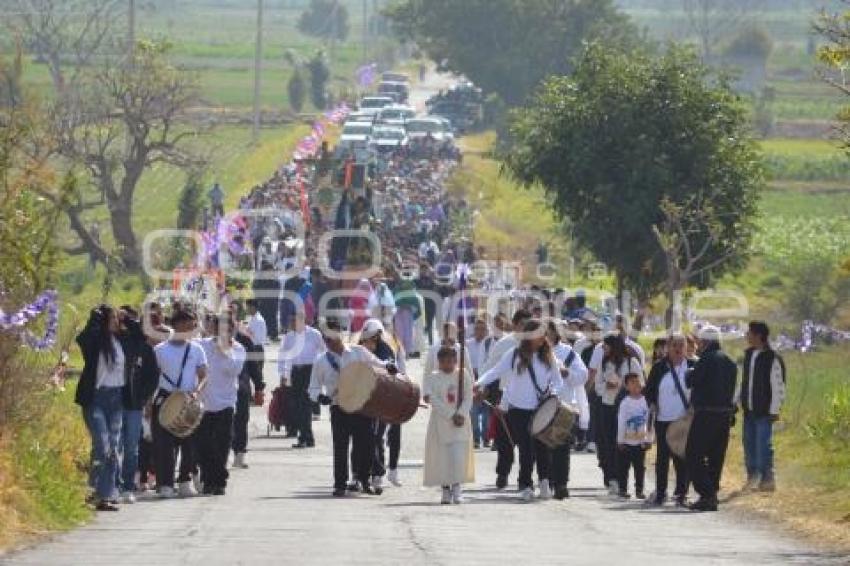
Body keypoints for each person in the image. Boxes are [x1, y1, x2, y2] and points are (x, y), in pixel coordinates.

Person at [476, 319, 564, 501]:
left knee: (543, 447)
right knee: (526, 448)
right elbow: (496, 371)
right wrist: (478, 383)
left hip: (541, 408)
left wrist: (553, 394)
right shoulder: (515, 354)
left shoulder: (549, 355)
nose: (543, 337)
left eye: (543, 334)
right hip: (518, 409)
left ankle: (545, 481)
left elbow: (558, 380)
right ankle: (525, 484)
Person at [309, 320, 385, 496]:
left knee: (366, 444)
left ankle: (364, 480)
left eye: (333, 337)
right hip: (339, 407)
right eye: (327, 339)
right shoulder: (321, 361)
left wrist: (389, 366)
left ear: (340, 335)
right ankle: (340, 484)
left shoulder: (358, 352)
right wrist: (319, 397)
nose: (330, 342)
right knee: (340, 446)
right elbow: (312, 387)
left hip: (361, 406)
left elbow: (378, 364)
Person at [75, 305, 127, 511]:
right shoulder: (95, 341)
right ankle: (93, 491)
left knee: (112, 447)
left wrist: (125, 318)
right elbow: (82, 338)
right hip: (96, 398)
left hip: (116, 398)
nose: (117, 321)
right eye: (113, 318)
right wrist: (95, 318)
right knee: (102, 444)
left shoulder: (122, 340)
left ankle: (104, 494)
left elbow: (141, 335)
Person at [152, 306, 208, 498]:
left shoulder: (197, 349)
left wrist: (197, 391)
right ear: (177, 325)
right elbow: (153, 379)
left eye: (193, 325)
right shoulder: (159, 350)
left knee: (190, 442)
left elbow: (203, 375)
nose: (191, 328)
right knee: (163, 444)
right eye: (188, 325)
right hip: (165, 398)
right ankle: (165, 484)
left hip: (188, 398)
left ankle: (185, 481)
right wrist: (147, 404)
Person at [686, 325, 737, 512]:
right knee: (716, 457)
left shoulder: (705, 359)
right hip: (724, 415)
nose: (698, 345)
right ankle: (711, 494)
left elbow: (692, 381)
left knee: (693, 454)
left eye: (699, 341)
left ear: (705, 341)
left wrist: (689, 372)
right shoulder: (730, 362)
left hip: (706, 413)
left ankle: (706, 493)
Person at [479, 309, 533, 489]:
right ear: (515, 324)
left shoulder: (536, 345)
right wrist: (483, 387)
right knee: (505, 441)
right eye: (523, 324)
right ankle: (503, 473)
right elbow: (489, 368)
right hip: (505, 398)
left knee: (527, 442)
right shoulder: (504, 344)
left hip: (528, 399)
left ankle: (525, 480)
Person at [197, 314, 245, 495]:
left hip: (226, 403)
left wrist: (224, 350)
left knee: (222, 444)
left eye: (228, 328)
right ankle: (207, 479)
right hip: (204, 402)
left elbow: (234, 370)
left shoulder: (238, 349)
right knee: (204, 445)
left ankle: (219, 481)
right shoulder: (202, 346)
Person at [116, 306, 159, 504]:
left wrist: (143, 398)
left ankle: (127, 486)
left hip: (133, 404)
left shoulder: (142, 346)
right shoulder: (111, 342)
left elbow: (152, 377)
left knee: (132, 446)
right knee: (113, 445)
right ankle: (112, 484)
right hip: (113, 402)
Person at [644, 333, 693, 506]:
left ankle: (681, 493)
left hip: (683, 420)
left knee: (682, 457)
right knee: (663, 458)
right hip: (663, 419)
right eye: (674, 345)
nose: (678, 349)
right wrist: (652, 404)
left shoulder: (693, 366)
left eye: (682, 345)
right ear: (668, 347)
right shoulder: (659, 367)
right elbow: (649, 391)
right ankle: (661, 492)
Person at [423, 347, 475, 504]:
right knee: (443, 458)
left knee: (458, 457)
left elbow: (469, 396)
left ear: (455, 361)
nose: (447, 365)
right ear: (438, 362)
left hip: (460, 422)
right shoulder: (433, 377)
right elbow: (433, 399)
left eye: (450, 361)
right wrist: (451, 415)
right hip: (441, 422)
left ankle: (457, 489)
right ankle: (445, 490)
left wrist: (461, 414)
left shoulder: (463, 374)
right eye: (443, 362)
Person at [594, 333, 644, 493]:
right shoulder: (604, 362)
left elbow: (641, 383)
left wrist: (625, 387)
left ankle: (626, 481)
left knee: (625, 444)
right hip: (607, 406)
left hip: (627, 409)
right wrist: (606, 387)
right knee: (608, 444)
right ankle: (612, 478)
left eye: (606, 345)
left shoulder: (631, 362)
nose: (603, 349)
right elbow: (597, 386)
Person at [740, 321, 786, 493]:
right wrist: (736, 400)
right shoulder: (749, 355)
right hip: (749, 410)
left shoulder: (772, 358)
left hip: (764, 411)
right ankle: (752, 478)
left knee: (763, 445)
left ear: (759, 335)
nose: (746, 336)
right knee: (749, 445)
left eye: (749, 333)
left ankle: (767, 479)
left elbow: (778, 386)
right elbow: (745, 382)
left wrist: (774, 410)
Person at [359, 319, 405, 489]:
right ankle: (375, 472)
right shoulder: (361, 344)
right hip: (373, 396)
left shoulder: (389, 346)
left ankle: (392, 469)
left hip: (394, 392)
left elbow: (400, 367)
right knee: (376, 436)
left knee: (393, 434)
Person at [549, 321, 588, 500]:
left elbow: (583, 375)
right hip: (543, 406)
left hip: (564, 406)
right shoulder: (536, 352)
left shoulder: (568, 353)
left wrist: (568, 374)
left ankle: (561, 483)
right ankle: (547, 480)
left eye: (549, 333)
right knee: (545, 447)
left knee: (562, 447)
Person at [277, 311, 325, 448]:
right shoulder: (289, 337)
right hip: (295, 372)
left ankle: (305, 437)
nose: (293, 324)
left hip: (309, 371)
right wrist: (283, 374)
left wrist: (320, 371)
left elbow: (323, 351)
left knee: (305, 405)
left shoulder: (314, 334)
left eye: (296, 321)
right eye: (292, 321)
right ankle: (306, 437)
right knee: (297, 406)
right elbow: (282, 355)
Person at [616, 373, 652, 499]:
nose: (636, 384)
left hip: (640, 442)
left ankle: (639, 490)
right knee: (624, 467)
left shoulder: (645, 401)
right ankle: (622, 489)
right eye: (632, 382)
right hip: (627, 442)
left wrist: (649, 439)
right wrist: (620, 441)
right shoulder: (625, 403)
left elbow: (649, 421)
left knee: (640, 468)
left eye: (638, 381)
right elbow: (621, 422)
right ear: (626, 386)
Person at [466, 318, 494, 449]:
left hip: (487, 380)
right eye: (477, 329)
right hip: (472, 380)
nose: (480, 332)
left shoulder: (491, 344)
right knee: (474, 411)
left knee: (487, 412)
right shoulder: (467, 344)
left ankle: (487, 438)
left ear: (487, 331)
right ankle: (476, 439)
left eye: (483, 329)